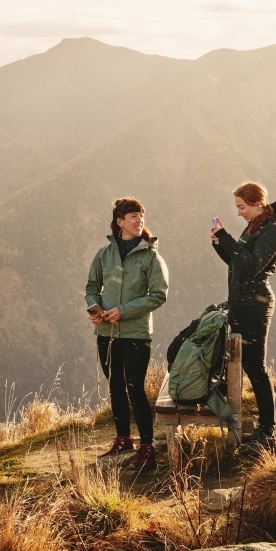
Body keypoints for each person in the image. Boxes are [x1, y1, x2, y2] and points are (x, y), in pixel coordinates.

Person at [85, 197, 169, 471]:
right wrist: (95, 309)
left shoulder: (151, 256)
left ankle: (147, 448)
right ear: (119, 221)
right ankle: (123, 439)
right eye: (132, 216)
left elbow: (158, 296)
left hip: (135, 332)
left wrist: (123, 310)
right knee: (115, 387)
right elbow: (91, 287)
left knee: (135, 387)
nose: (138, 220)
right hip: (106, 333)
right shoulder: (104, 254)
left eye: (141, 216)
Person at [211, 182, 276, 455]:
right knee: (246, 365)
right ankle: (264, 428)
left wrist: (227, 238)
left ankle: (269, 432)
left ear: (258, 203)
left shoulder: (273, 230)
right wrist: (221, 244)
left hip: (256, 305)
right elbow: (238, 263)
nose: (240, 212)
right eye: (237, 208)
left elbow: (254, 265)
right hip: (242, 303)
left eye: (242, 207)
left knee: (257, 367)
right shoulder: (254, 227)